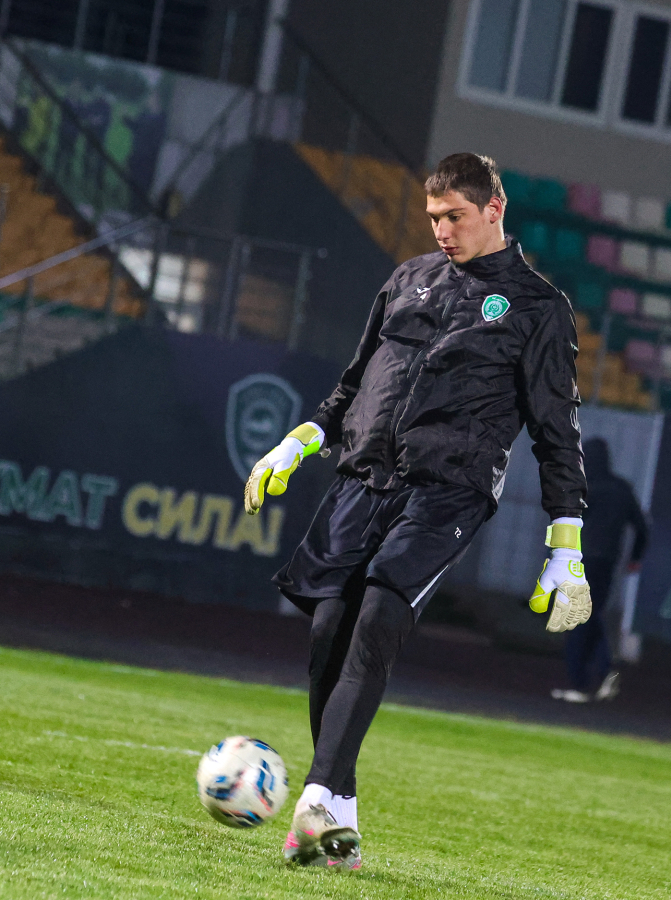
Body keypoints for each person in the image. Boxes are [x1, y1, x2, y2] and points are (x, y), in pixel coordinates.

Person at [242, 153, 592, 870]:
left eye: (455, 216)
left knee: (377, 617)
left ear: (494, 209)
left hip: (447, 492)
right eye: (434, 217)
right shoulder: (408, 279)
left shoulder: (538, 308)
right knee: (328, 632)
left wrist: (567, 545)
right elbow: (354, 382)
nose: (442, 230)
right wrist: (299, 441)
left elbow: (558, 434)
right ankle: (339, 821)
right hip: (362, 479)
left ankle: (315, 799)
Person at [550, 437, 648, 704]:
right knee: (592, 615)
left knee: (577, 620)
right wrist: (635, 558)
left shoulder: (585, 487)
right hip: (608, 562)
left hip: (580, 561)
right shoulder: (622, 489)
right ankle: (602, 673)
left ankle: (587, 679)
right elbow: (642, 528)